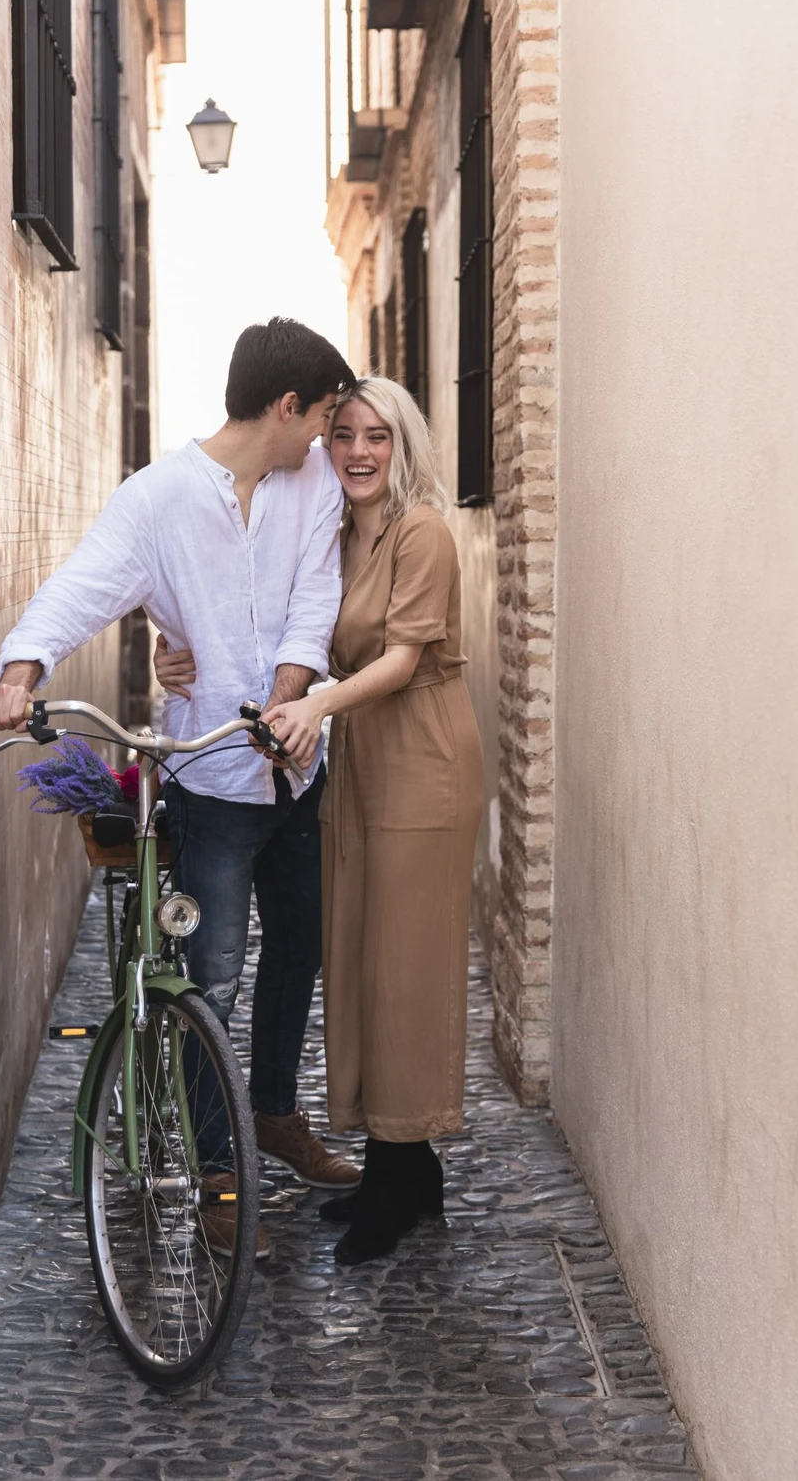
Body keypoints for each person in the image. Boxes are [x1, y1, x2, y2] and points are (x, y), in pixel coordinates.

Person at [0, 317, 362, 1260]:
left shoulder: (308, 486)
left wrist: (286, 710)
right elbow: (81, 587)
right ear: (286, 407)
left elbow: (315, 601)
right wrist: (20, 672)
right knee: (211, 982)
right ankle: (219, 1179)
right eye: (320, 419)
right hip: (210, 779)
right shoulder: (156, 501)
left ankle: (272, 1112)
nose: (327, 437)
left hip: (295, 767)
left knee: (299, 952)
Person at [264, 378, 484, 1265]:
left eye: (377, 437)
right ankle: (411, 1169)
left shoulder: (422, 531)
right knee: (364, 955)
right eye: (343, 434)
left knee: (407, 968)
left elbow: (399, 661)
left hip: (422, 758)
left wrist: (315, 707)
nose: (357, 451)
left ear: (405, 446)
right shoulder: (336, 535)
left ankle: (395, 1179)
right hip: (363, 766)